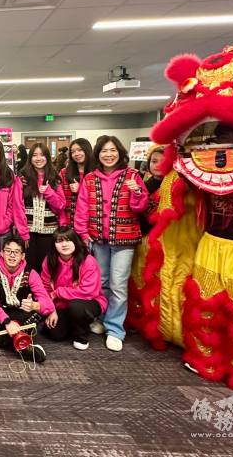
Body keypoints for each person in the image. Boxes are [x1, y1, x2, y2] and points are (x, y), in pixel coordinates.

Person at [74, 135, 147, 352]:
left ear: (120, 152)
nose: (108, 155)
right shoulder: (89, 178)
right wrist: (83, 234)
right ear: (98, 154)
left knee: (118, 284)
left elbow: (140, 207)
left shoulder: (132, 175)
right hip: (98, 239)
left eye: (113, 150)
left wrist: (136, 192)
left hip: (124, 240)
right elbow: (82, 209)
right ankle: (102, 317)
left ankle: (115, 329)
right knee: (102, 282)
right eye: (104, 151)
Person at [0, 235, 50, 362]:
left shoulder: (31, 273)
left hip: (19, 314)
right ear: (1, 253)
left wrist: (34, 305)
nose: (12, 255)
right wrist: (6, 321)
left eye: (16, 252)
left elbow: (47, 303)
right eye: (8, 251)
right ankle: (22, 345)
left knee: (39, 311)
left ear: (23, 256)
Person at [40, 226, 106, 350]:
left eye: (68, 240)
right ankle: (75, 323)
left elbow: (88, 291)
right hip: (61, 305)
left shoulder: (88, 261)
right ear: (54, 245)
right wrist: (51, 310)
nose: (64, 244)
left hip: (88, 302)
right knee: (55, 334)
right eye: (59, 241)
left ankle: (81, 337)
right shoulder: (49, 261)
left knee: (75, 307)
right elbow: (44, 288)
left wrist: (59, 292)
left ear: (75, 241)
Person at [128, 145, 165, 332]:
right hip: (143, 239)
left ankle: (161, 323)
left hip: (165, 244)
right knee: (140, 279)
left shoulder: (175, 184)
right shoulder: (145, 183)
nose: (158, 165)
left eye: (162, 161)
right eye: (154, 161)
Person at [18, 143, 66, 273]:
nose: (38, 158)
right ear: (30, 158)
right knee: (28, 267)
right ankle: (30, 293)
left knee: (46, 268)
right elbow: (17, 206)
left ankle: (43, 293)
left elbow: (61, 205)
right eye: (34, 155)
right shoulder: (22, 178)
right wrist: (22, 232)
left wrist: (49, 193)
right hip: (28, 233)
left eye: (42, 155)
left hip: (49, 232)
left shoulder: (55, 178)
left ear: (47, 157)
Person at [59, 138, 95, 227]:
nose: (76, 154)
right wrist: (63, 223)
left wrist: (81, 190)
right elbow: (60, 200)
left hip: (91, 225)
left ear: (87, 150)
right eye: (73, 151)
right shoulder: (64, 173)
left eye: (80, 150)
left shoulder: (96, 173)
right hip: (69, 224)